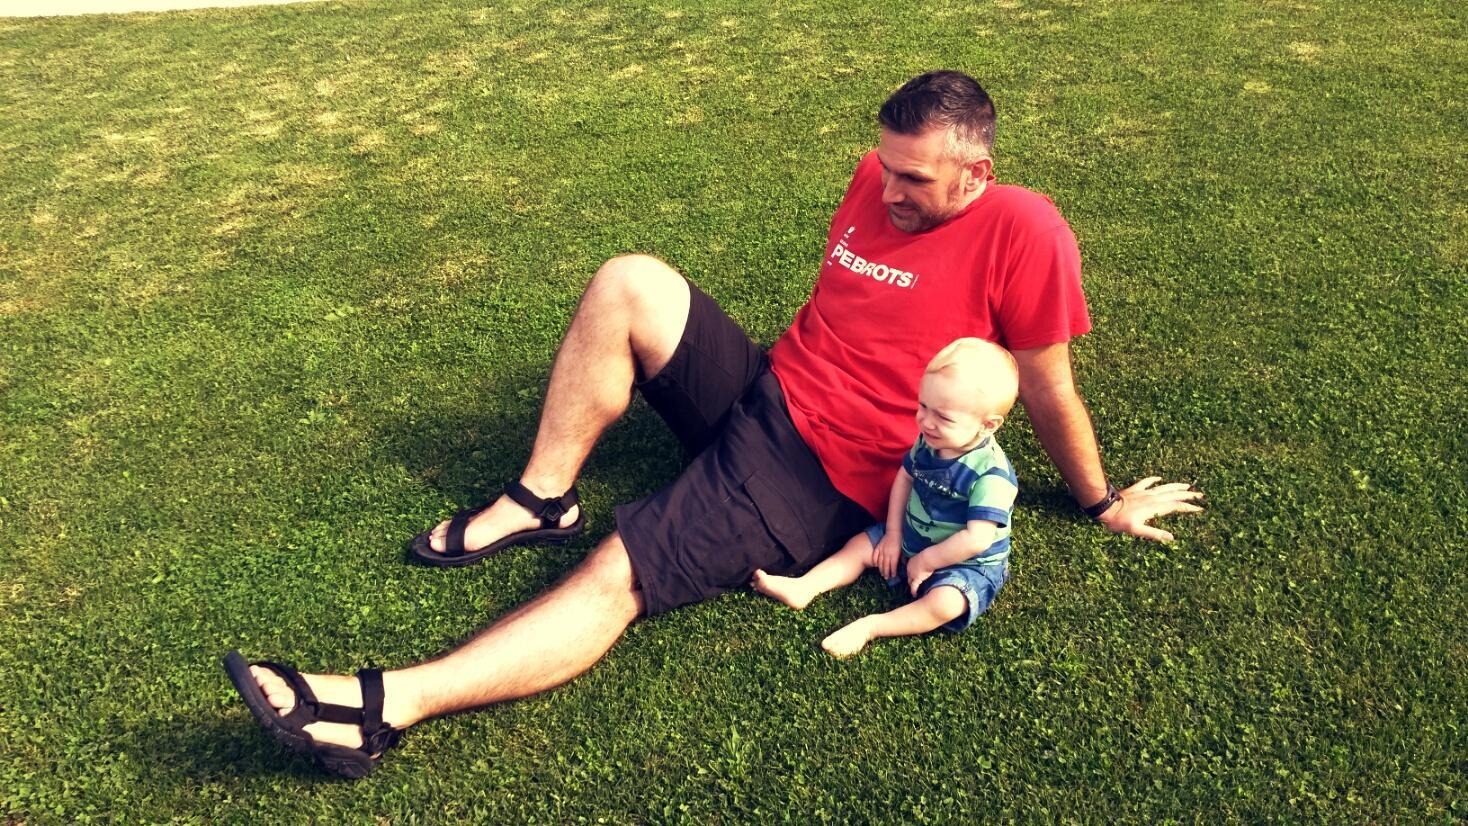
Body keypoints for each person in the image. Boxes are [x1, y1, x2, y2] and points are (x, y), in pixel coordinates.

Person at [223, 70, 1203, 777]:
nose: (886, 189)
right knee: (630, 282)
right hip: (771, 387)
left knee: (623, 567)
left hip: (823, 472)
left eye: (913, 179)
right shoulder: (877, 180)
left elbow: (1046, 387)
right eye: (884, 167)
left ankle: (385, 706)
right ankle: (540, 497)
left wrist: (1100, 500)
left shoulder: (1025, 231)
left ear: (976, 173)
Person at [752, 337, 1020, 658]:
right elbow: (905, 477)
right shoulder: (930, 440)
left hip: (964, 562)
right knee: (860, 546)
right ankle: (805, 586)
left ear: (988, 425)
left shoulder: (991, 475)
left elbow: (976, 539)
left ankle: (872, 626)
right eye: (923, 406)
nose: (926, 421)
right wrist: (893, 534)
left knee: (946, 604)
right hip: (913, 533)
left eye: (944, 417)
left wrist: (928, 561)